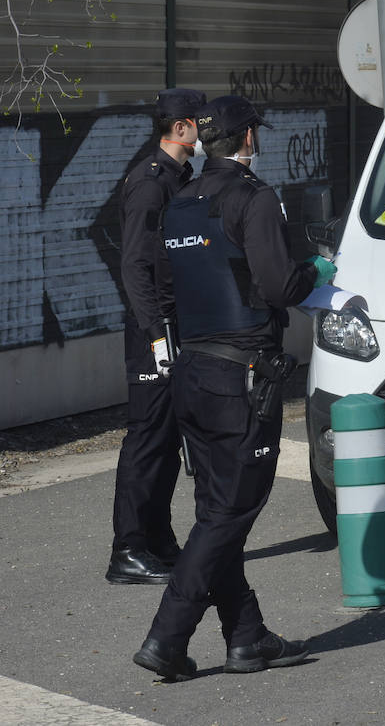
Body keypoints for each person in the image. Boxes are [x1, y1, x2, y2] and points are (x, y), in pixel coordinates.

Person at [134, 95, 333, 681]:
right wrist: (317, 273)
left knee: (214, 512)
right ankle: (167, 637)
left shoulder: (179, 203)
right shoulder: (253, 197)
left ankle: (247, 637)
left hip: (192, 373)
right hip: (242, 376)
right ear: (249, 137)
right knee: (230, 513)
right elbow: (278, 286)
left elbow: (165, 288)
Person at [108, 88, 205, 587]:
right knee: (146, 440)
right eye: (200, 124)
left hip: (176, 325)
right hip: (156, 330)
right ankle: (127, 550)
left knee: (168, 439)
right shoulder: (150, 183)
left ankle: (158, 539)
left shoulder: (179, 177)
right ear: (183, 127)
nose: (206, 133)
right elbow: (134, 266)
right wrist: (155, 334)